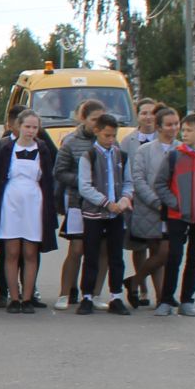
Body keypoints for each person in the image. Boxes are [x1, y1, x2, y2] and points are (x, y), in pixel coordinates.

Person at [0, 110, 57, 313]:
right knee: (11, 251)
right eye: (27, 127)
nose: (30, 131)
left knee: (30, 251)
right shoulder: (6, 147)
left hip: (34, 203)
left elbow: (49, 179)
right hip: (11, 203)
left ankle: (27, 297)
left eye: (34, 127)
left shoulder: (43, 150)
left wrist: (51, 206)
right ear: (18, 126)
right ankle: (13, 298)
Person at [153, 112, 195, 317]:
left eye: (189, 130)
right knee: (174, 256)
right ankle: (166, 300)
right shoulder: (174, 156)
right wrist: (175, 203)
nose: (184, 134)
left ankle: (187, 300)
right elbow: (160, 183)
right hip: (176, 216)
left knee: (194, 258)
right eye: (183, 130)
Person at [74, 113, 133, 316]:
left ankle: (116, 296)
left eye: (113, 135)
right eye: (107, 135)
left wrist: (125, 198)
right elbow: (85, 187)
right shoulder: (88, 156)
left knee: (116, 256)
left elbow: (128, 182)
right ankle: (87, 296)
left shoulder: (121, 155)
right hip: (94, 215)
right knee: (91, 256)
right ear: (97, 131)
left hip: (116, 215)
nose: (110, 139)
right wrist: (107, 203)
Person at [52, 98, 106, 308]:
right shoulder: (71, 141)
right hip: (77, 202)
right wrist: (84, 182)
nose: (97, 124)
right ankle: (65, 293)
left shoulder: (108, 140)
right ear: (84, 119)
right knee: (76, 248)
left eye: (101, 120)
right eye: (94, 119)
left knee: (102, 249)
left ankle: (94, 293)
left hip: (103, 203)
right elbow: (59, 171)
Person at [127, 106, 180, 305]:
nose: (173, 128)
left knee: (165, 252)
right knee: (158, 252)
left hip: (174, 210)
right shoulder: (145, 151)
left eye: (176, 124)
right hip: (150, 209)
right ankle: (161, 297)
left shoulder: (181, 149)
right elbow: (138, 179)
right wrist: (156, 202)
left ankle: (135, 281)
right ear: (158, 127)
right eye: (168, 124)